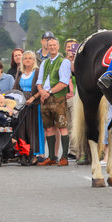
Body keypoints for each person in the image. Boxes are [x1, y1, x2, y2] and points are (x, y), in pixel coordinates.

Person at [35, 37, 72, 166]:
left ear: (58, 46)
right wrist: (41, 92)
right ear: (46, 46)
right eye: (49, 45)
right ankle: (51, 157)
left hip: (58, 98)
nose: (52, 47)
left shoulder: (64, 62)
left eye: (54, 45)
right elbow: (39, 81)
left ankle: (64, 157)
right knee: (48, 127)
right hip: (45, 98)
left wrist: (48, 92)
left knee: (62, 126)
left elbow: (64, 82)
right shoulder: (44, 63)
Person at [12, 50, 42, 163]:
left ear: (34, 60)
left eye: (30, 58)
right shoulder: (20, 72)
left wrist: (33, 98)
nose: (27, 60)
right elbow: (15, 88)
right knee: (21, 129)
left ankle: (33, 154)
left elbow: (41, 88)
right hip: (21, 102)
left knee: (32, 129)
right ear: (22, 61)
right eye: (25, 58)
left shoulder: (37, 71)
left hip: (33, 103)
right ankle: (23, 153)